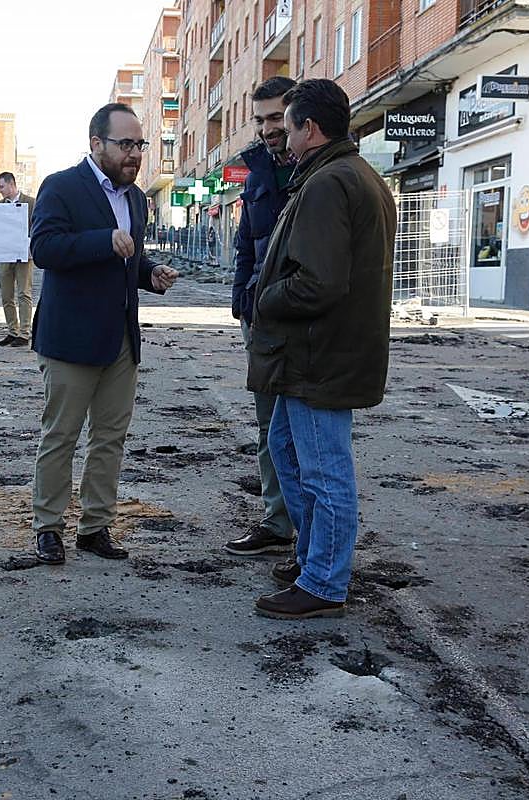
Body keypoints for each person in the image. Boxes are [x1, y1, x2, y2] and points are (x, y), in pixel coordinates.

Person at [248, 79, 396, 620]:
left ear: (310, 127)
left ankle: (324, 583)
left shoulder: (329, 182)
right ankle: (314, 560)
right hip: (320, 353)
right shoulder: (346, 175)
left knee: (323, 470)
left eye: (286, 127)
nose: (281, 140)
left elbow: (317, 283)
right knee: (287, 450)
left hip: (319, 355)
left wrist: (264, 299)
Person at [29, 102, 179, 565]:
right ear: (97, 144)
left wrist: (148, 272)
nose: (134, 154)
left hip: (120, 340)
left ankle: (95, 526)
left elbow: (126, 260)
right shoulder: (61, 187)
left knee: (110, 438)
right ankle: (48, 527)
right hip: (72, 339)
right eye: (125, 144)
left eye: (139, 144)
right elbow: (44, 249)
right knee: (62, 436)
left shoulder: (136, 198)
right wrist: (101, 240)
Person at [225, 76, 296, 558]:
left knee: (309, 430)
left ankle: (309, 531)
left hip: (305, 316)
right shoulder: (256, 175)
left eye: (277, 117)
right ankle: (277, 521)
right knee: (269, 424)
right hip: (262, 317)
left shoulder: (317, 169)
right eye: (262, 119)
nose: (269, 129)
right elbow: (246, 246)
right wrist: (241, 300)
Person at [0, 172, 36, 347]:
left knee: (24, 293)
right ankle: (13, 330)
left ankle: (25, 333)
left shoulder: (31, 203)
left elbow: (37, 225)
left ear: (12, 184)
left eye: (1, 186)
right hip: (6, 254)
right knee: (6, 294)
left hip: (24, 254)